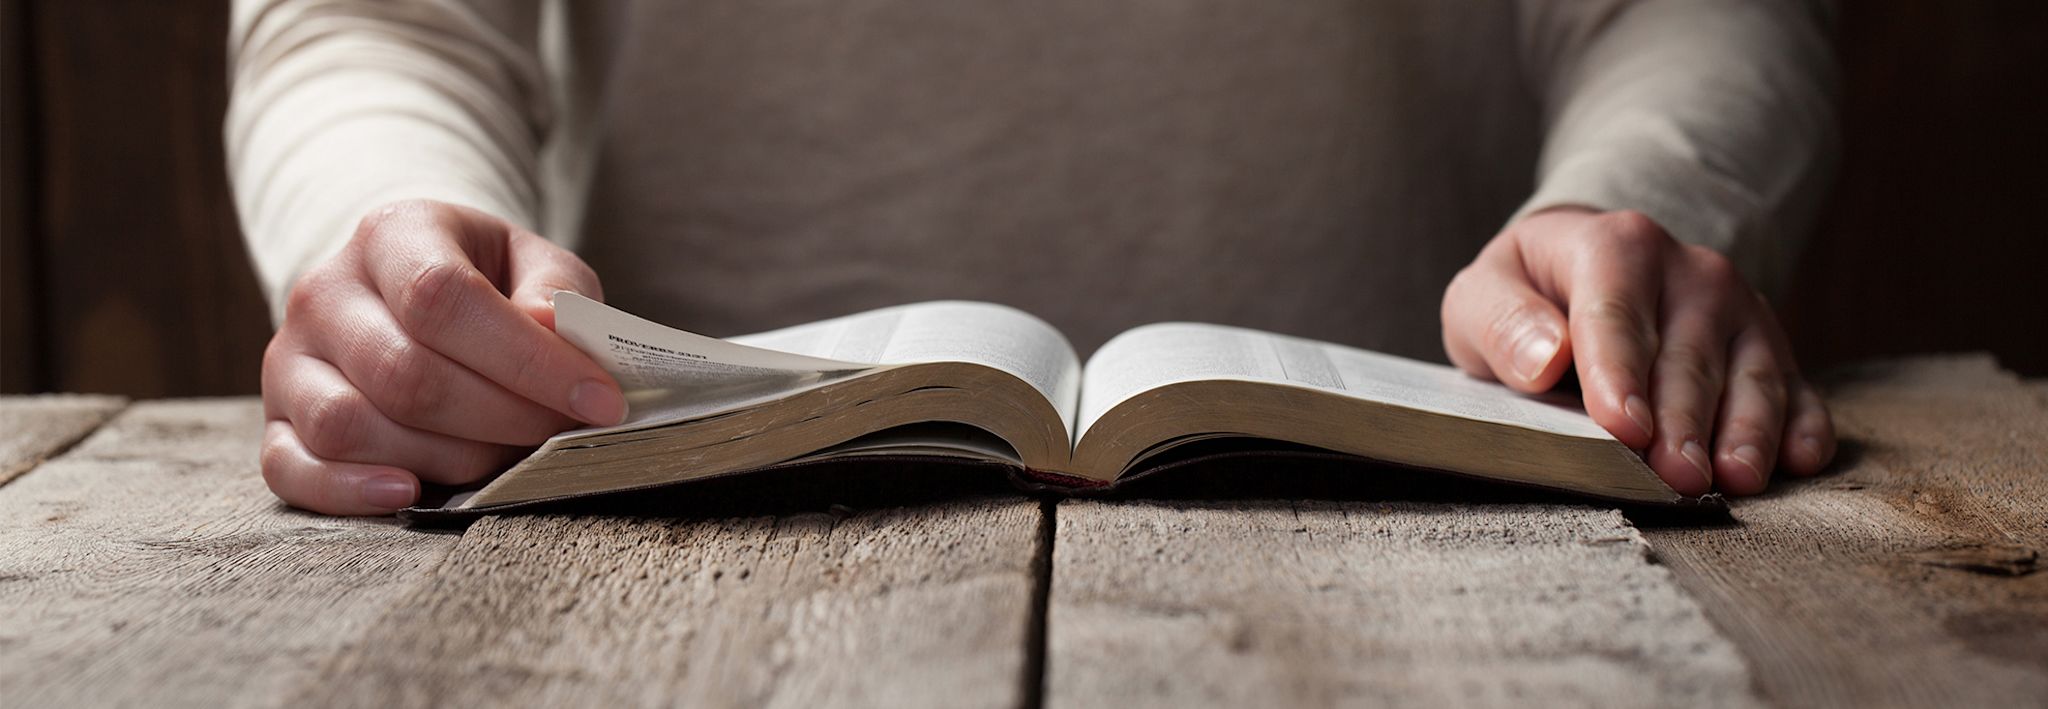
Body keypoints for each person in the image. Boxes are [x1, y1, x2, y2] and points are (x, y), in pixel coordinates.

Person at [228, 0, 1839, 516]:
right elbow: (381, 20)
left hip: (1474, 494)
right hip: (630, 493)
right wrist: (396, 245)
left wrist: (1644, 204)